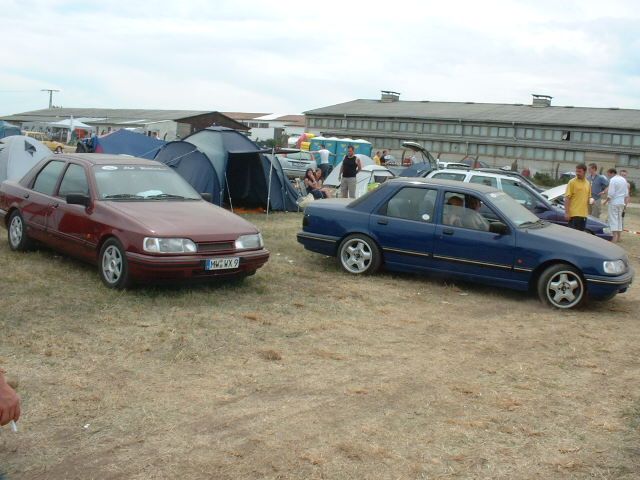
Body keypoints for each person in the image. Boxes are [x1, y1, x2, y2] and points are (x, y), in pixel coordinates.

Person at [603, 168, 629, 243]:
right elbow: (626, 193)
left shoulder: (613, 180)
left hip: (614, 202)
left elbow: (611, 193)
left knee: (613, 219)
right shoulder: (624, 180)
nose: (607, 175)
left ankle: (614, 238)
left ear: (611, 173)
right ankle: (618, 237)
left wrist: (605, 201)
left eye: (608, 173)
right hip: (621, 202)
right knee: (619, 220)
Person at [564, 163, 591, 231]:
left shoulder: (588, 183)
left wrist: (591, 201)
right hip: (574, 214)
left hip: (584, 215)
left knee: (580, 236)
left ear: (584, 172)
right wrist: (567, 213)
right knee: (573, 236)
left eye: (579, 171)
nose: (577, 173)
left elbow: (588, 198)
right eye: (576, 171)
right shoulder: (572, 182)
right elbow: (567, 198)